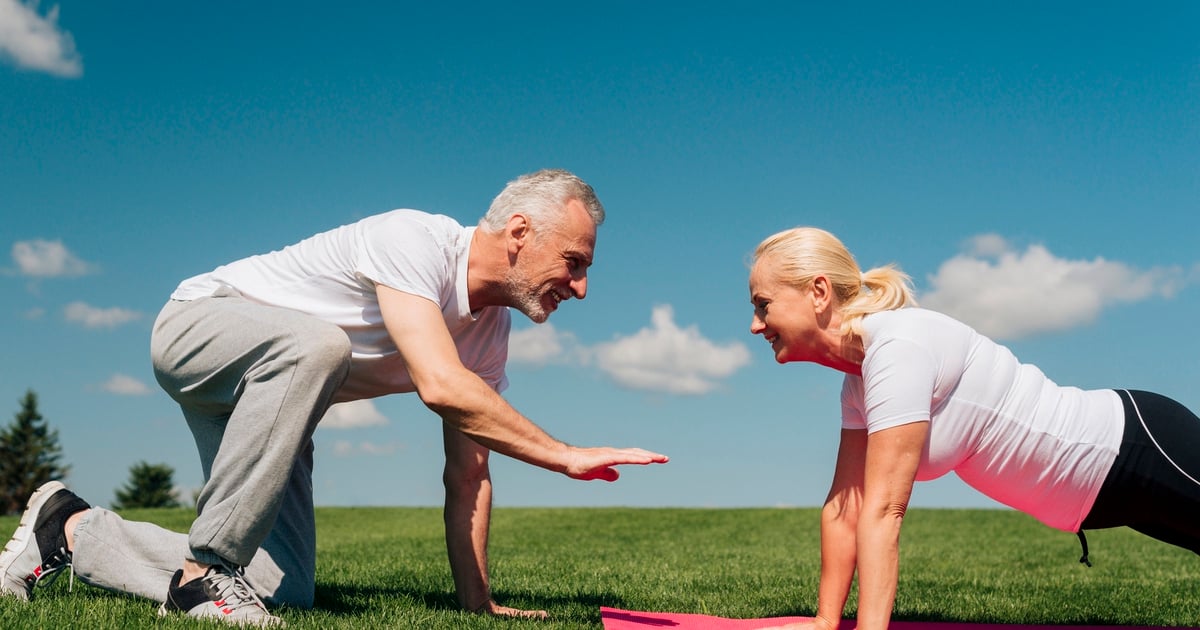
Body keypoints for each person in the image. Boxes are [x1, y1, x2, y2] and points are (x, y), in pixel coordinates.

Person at [0, 168, 668, 626]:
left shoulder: (486, 334)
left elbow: (468, 476)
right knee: (320, 347)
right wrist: (562, 455)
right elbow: (440, 386)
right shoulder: (418, 241)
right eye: (573, 262)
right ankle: (205, 573)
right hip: (199, 327)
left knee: (282, 588)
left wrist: (477, 604)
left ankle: (70, 529)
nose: (579, 286)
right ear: (520, 232)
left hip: (270, 404)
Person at [746, 227, 1200, 630]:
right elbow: (846, 506)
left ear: (818, 292)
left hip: (1131, 447)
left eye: (763, 305)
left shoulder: (897, 349)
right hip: (1103, 496)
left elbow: (884, 511)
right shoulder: (858, 384)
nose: (755, 325)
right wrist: (826, 621)